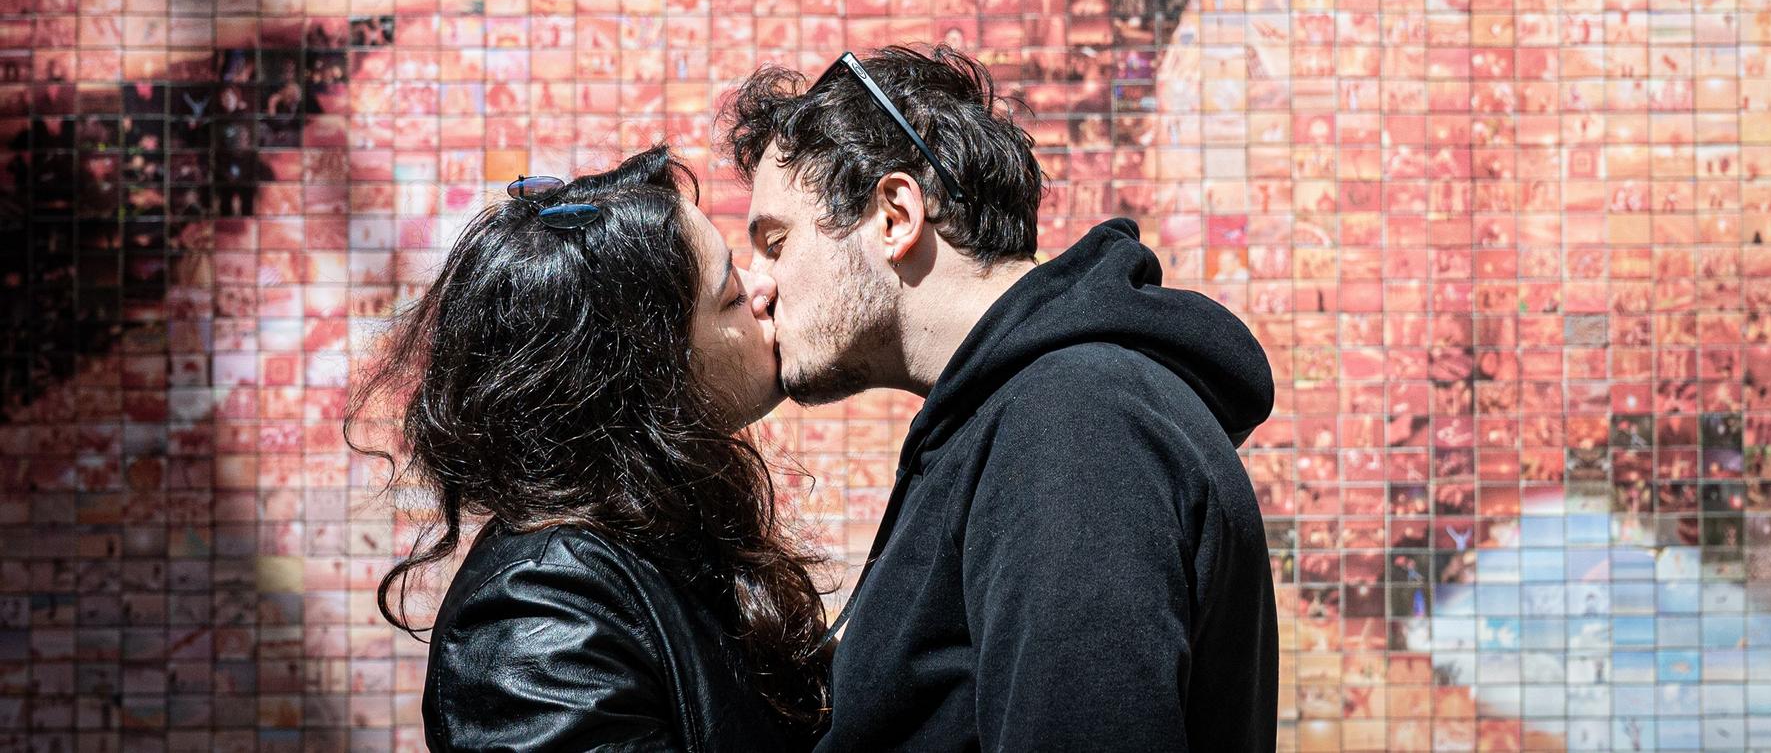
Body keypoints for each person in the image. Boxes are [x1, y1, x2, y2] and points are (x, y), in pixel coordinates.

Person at [722, 45, 1279, 752]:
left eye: (775, 240)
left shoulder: (1077, 423)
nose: (758, 283)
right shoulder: (1020, 415)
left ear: (895, 215)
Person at [345, 146, 829, 750]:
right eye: (731, 294)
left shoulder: (661, 542)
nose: (766, 289)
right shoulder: (542, 617)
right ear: (646, 369)